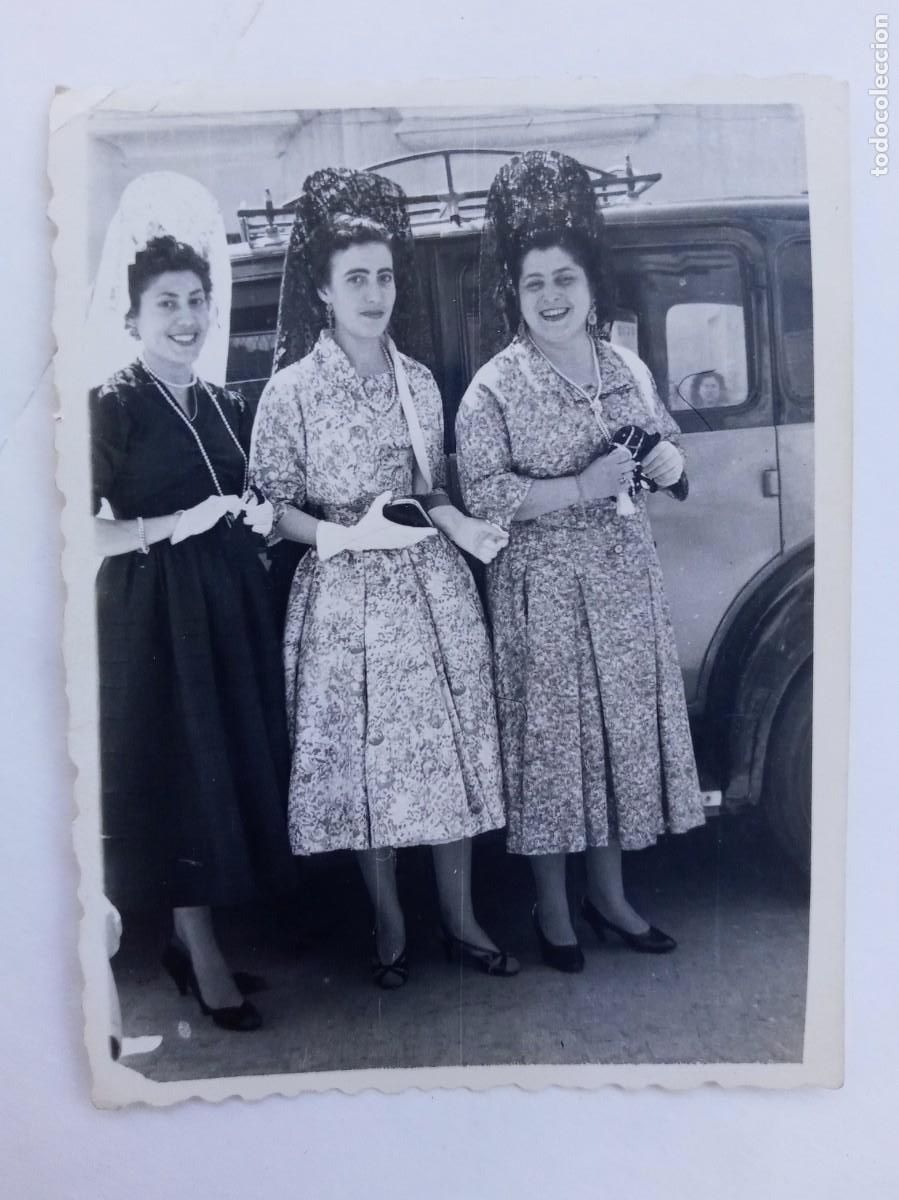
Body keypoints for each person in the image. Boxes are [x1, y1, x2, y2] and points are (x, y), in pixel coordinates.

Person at [249, 167, 518, 988]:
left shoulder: (420, 381)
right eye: (355, 278)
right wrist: (337, 535)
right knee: (367, 767)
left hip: (429, 592)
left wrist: (461, 523)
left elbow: (429, 485)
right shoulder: (291, 392)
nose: (374, 292)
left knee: (450, 755)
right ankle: (389, 923)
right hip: (343, 598)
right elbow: (267, 505)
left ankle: (463, 919)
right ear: (325, 293)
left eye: (384, 275)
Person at [455, 151, 705, 972]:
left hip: (625, 585)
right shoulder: (494, 386)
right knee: (554, 750)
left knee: (616, 743)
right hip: (544, 591)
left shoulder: (625, 363)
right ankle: (555, 912)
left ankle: (612, 901)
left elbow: (662, 446)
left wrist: (668, 464)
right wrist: (577, 485)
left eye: (564, 279)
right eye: (534, 284)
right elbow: (483, 493)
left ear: (591, 286)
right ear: (514, 296)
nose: (552, 297)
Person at [89, 175, 295, 1032]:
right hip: (155, 619)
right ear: (133, 317)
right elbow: (76, 534)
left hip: (226, 609)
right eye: (166, 303)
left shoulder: (221, 402)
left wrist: (249, 519)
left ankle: (193, 942)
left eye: (197, 301)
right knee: (184, 777)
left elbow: (239, 496)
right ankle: (199, 954)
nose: (185, 318)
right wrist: (174, 523)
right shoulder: (113, 406)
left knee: (226, 772)